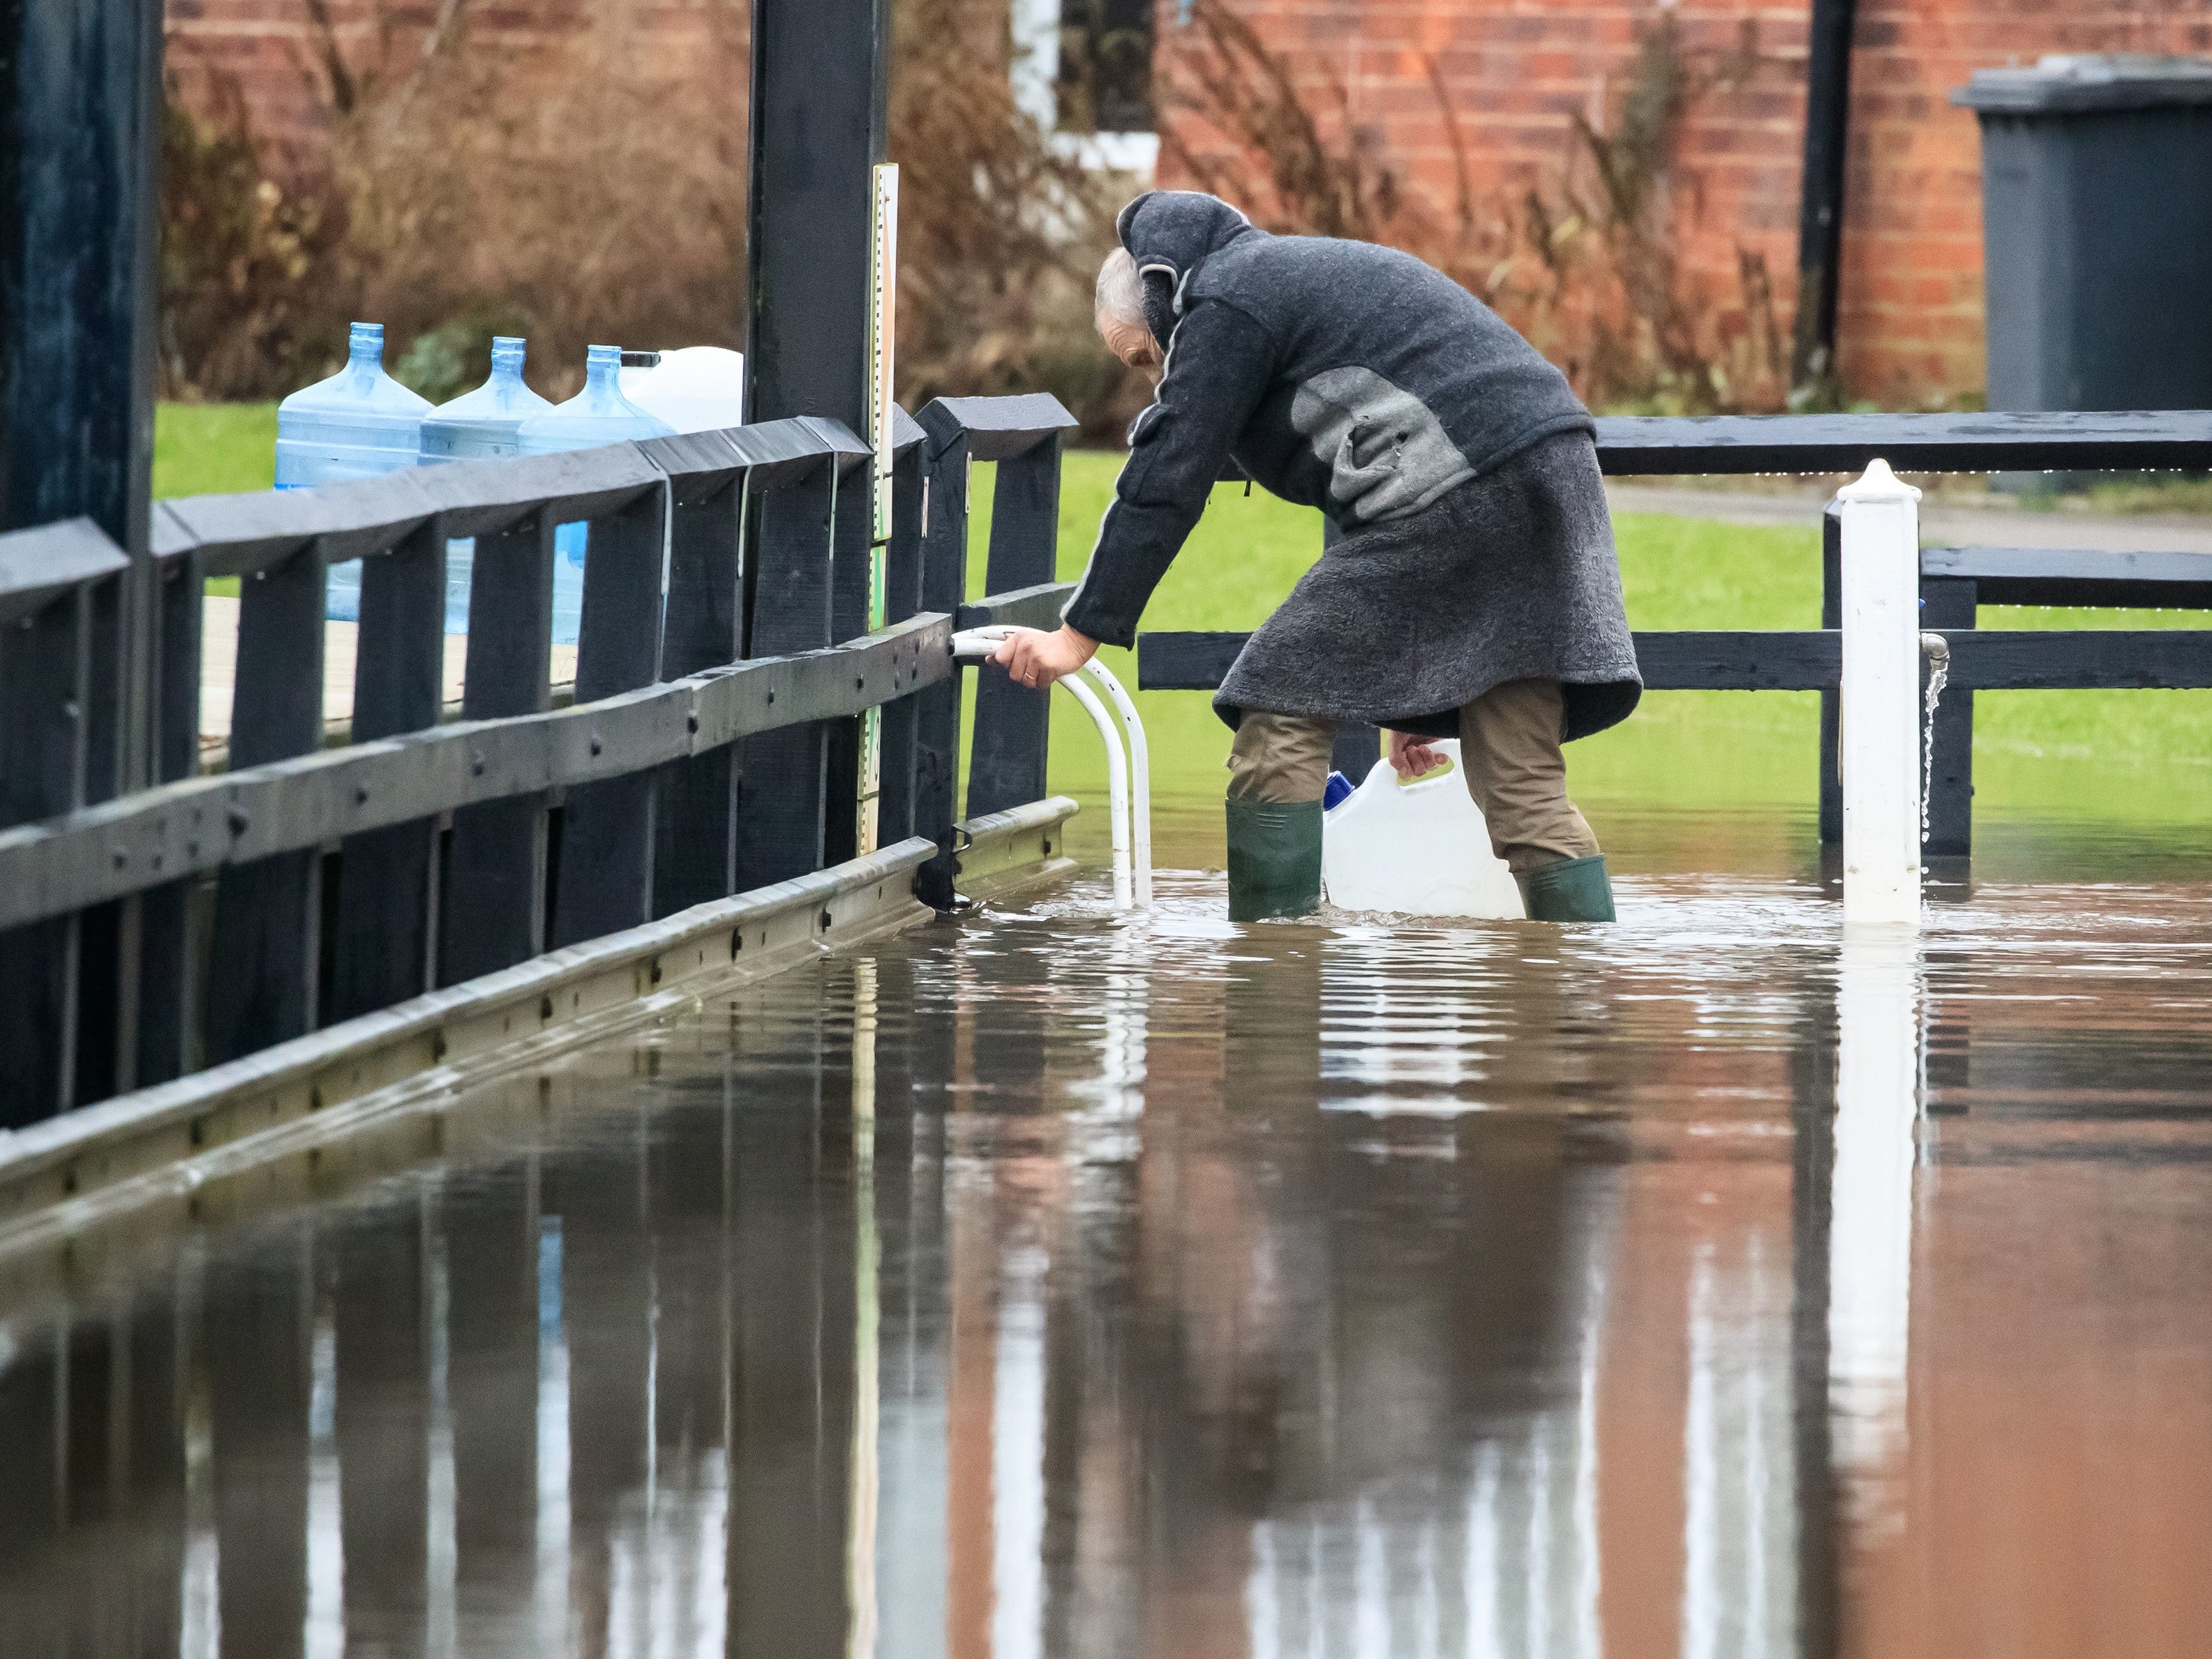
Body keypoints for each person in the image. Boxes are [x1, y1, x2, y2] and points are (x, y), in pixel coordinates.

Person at [989, 191, 1641, 923]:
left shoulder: (1223, 300)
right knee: (1523, 788)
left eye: (1146, 356)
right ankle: (1579, 1005)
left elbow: (1168, 472)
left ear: (1160, 298)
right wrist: (1421, 672)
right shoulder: (1281, 277)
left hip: (1463, 485)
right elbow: (1392, 453)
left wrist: (1076, 636)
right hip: (1548, 477)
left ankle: (1274, 974)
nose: (1154, 380)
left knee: (1278, 701)